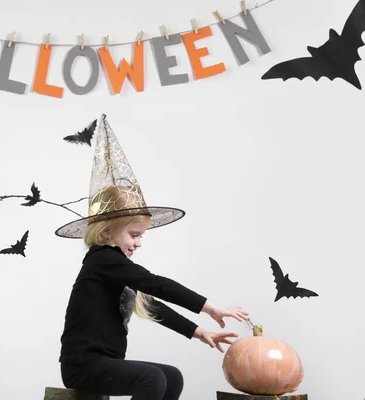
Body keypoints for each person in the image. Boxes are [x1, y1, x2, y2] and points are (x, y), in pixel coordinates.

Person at [53, 116, 249, 400]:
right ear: (107, 231)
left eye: (141, 236)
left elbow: (151, 304)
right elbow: (157, 284)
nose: (139, 242)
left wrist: (197, 331)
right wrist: (210, 308)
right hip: (82, 367)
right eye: (134, 234)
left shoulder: (116, 270)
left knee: (171, 377)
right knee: (152, 378)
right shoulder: (102, 261)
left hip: (105, 365)